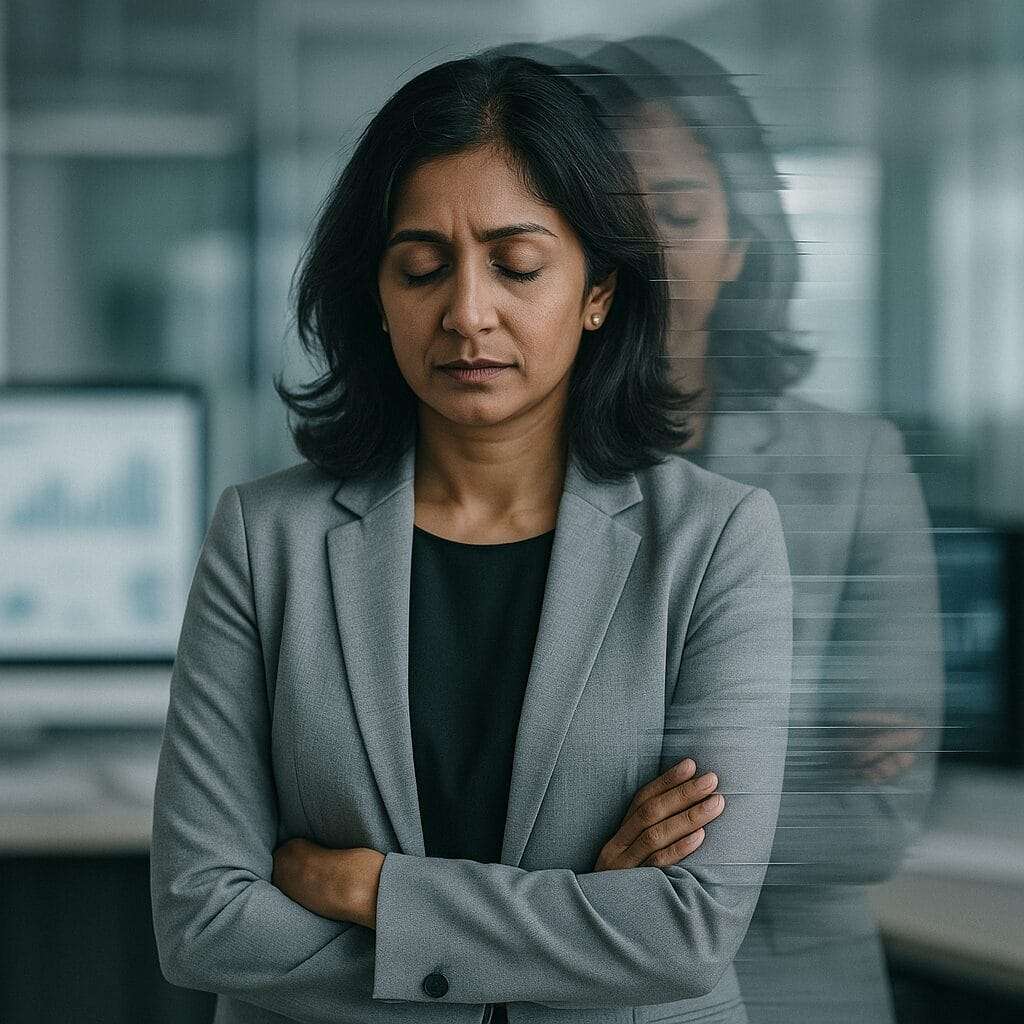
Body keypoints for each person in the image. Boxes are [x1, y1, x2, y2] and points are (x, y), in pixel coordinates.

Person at [149, 52, 793, 1024]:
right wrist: (575, 915)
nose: (465, 313)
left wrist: (374, 893)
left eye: (517, 264)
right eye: (420, 267)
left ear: (597, 291)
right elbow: (201, 919)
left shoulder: (717, 540)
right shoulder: (263, 537)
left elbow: (685, 931)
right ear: (374, 290)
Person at [566, 35, 945, 1024]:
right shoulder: (493, 471)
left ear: (740, 242)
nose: (648, 249)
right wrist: (774, 769)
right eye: (610, 215)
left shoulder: (856, 468)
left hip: (794, 993)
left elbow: (871, 821)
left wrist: (571, 826)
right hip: (552, 983)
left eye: (682, 214)